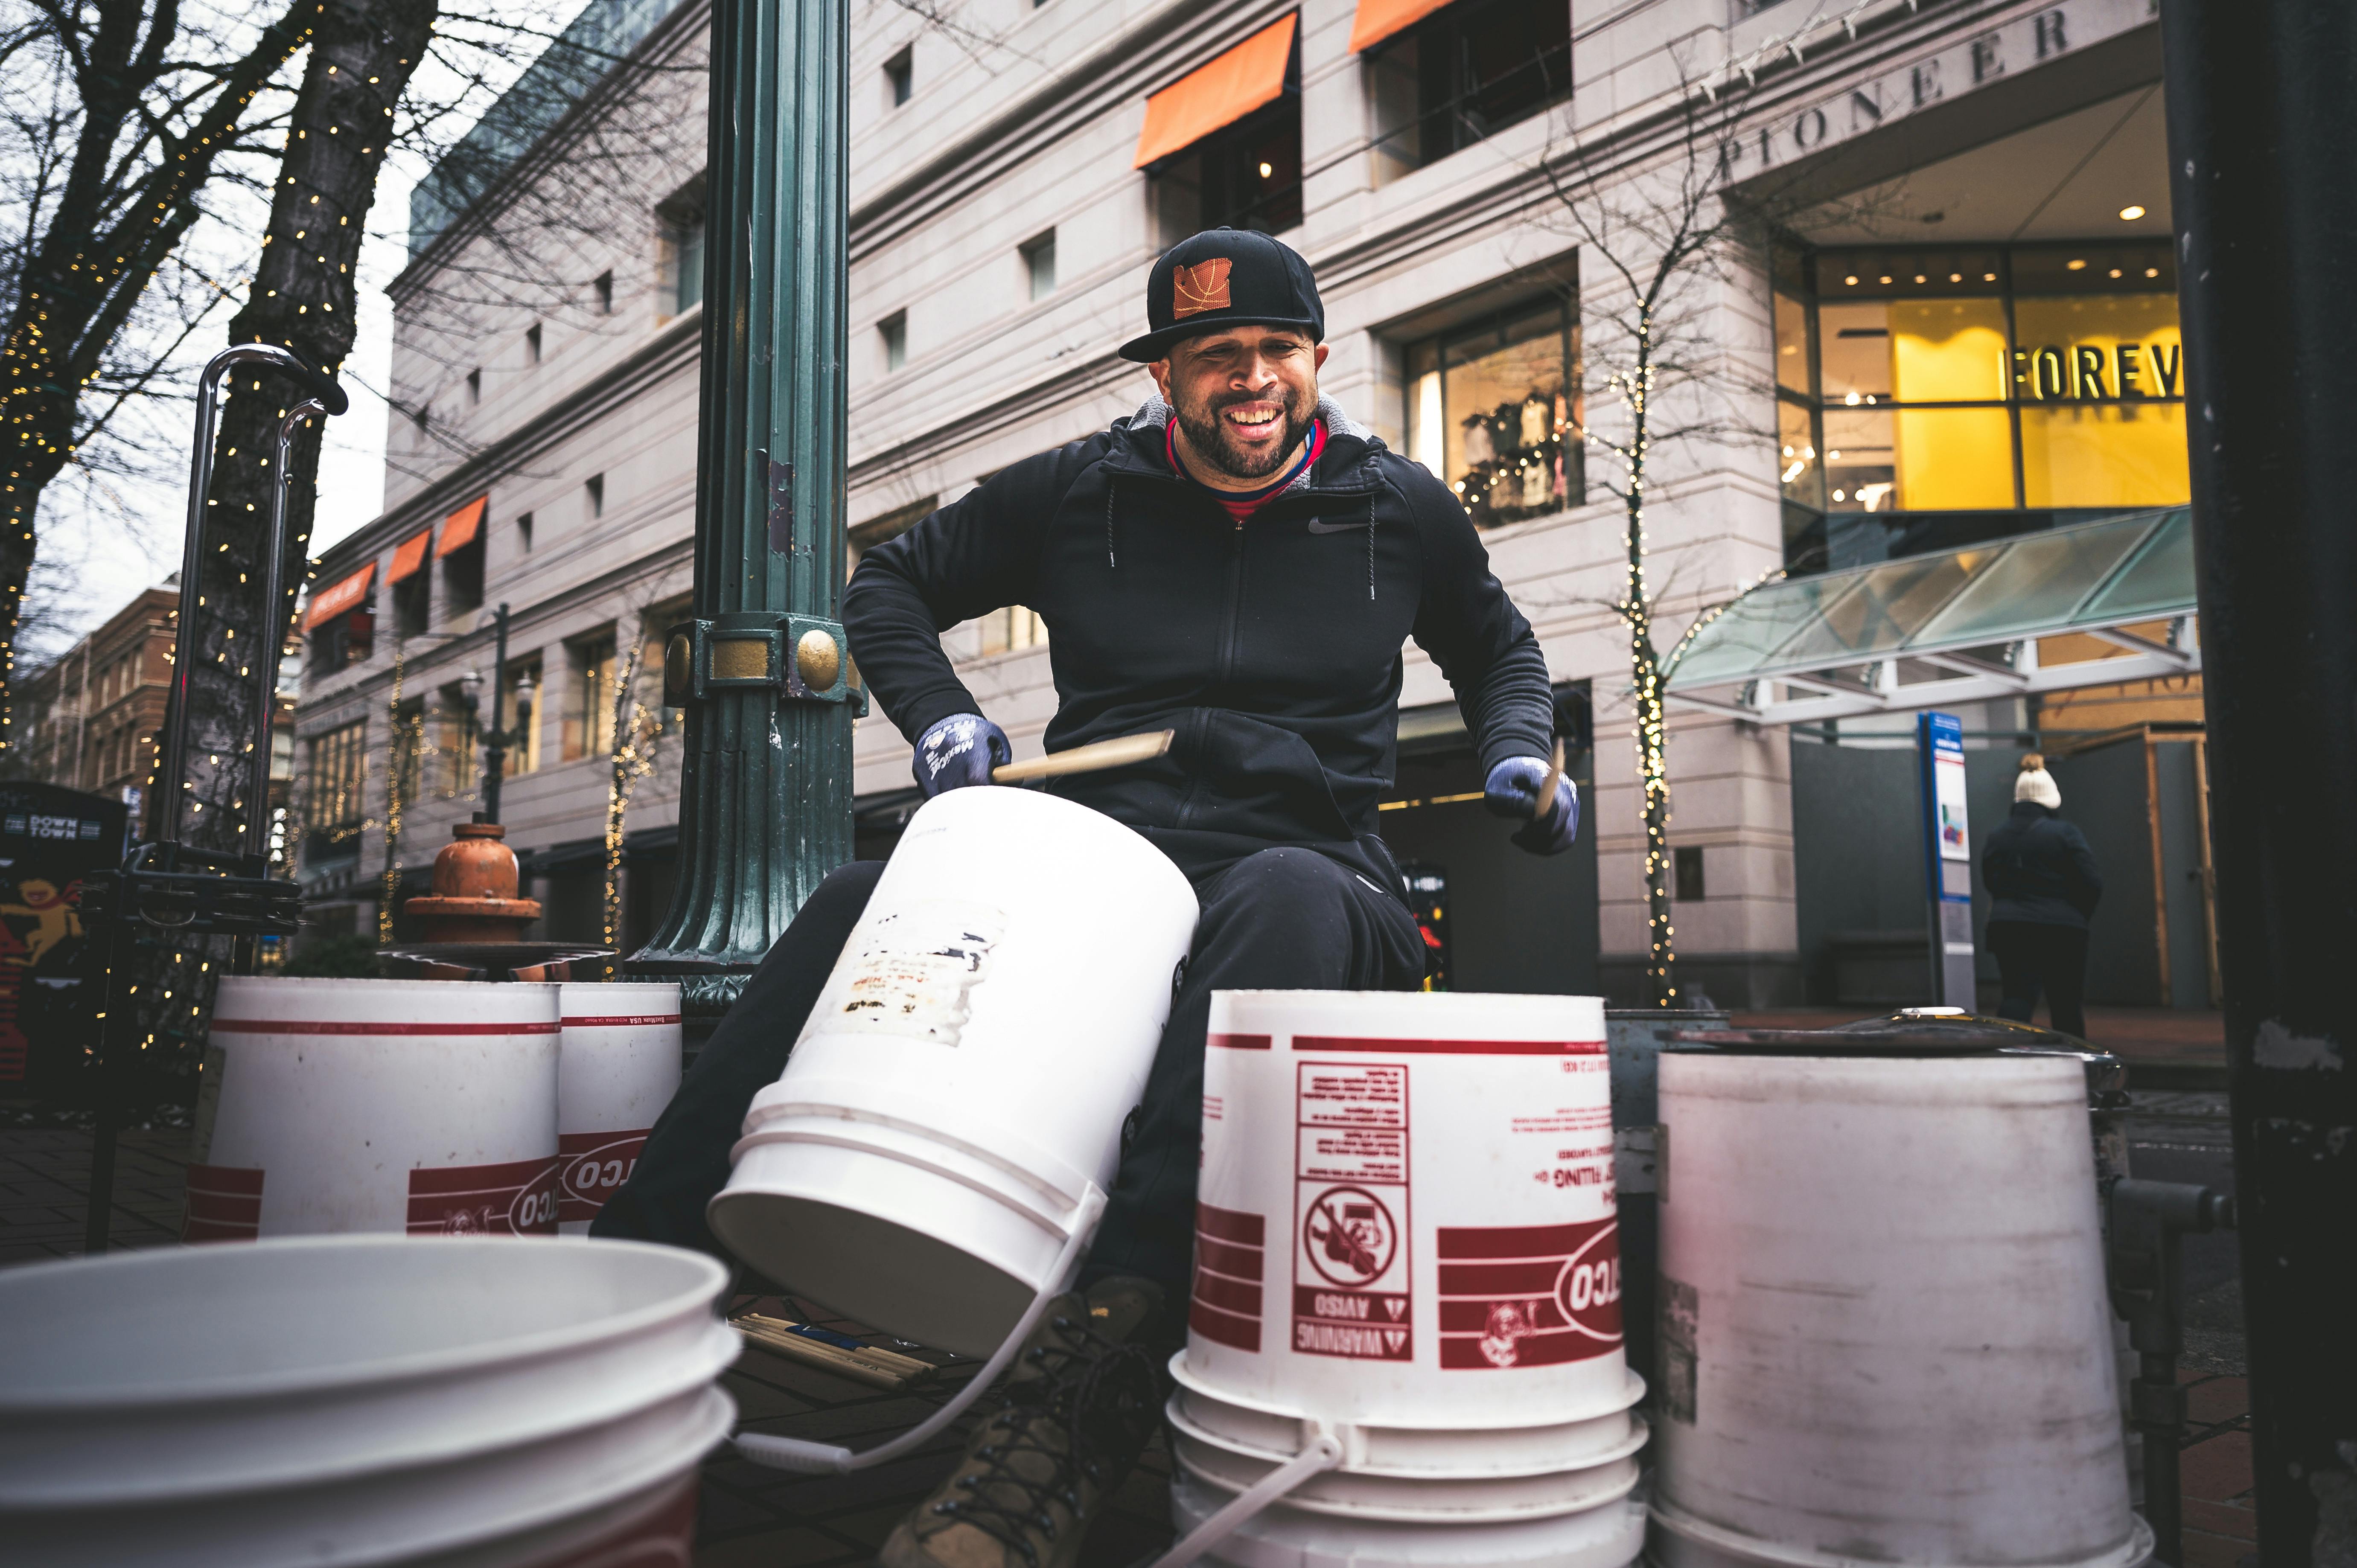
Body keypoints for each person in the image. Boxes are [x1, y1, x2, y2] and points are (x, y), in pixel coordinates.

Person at [593, 227, 1578, 1568]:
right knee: (855, 903)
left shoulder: (1395, 505)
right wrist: (939, 720)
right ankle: (627, 1294)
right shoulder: (1078, 491)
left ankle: (1091, 1379)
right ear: (1167, 373)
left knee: (1279, 892)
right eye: (1211, 355)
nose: (1247, 380)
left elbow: (1498, 647)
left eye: (1271, 351)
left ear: (1315, 358)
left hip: (1311, 864)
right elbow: (888, 583)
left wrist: (1518, 747)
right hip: (1102, 863)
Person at [1981, 752, 2102, 1039]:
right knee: (2066, 1003)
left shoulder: (1997, 835)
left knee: (2017, 997)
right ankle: (2073, 1065)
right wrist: (2076, 914)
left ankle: (2006, 1057)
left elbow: (1990, 880)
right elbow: (2092, 881)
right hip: (2063, 929)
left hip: (2009, 926)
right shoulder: (2065, 834)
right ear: (2051, 797)